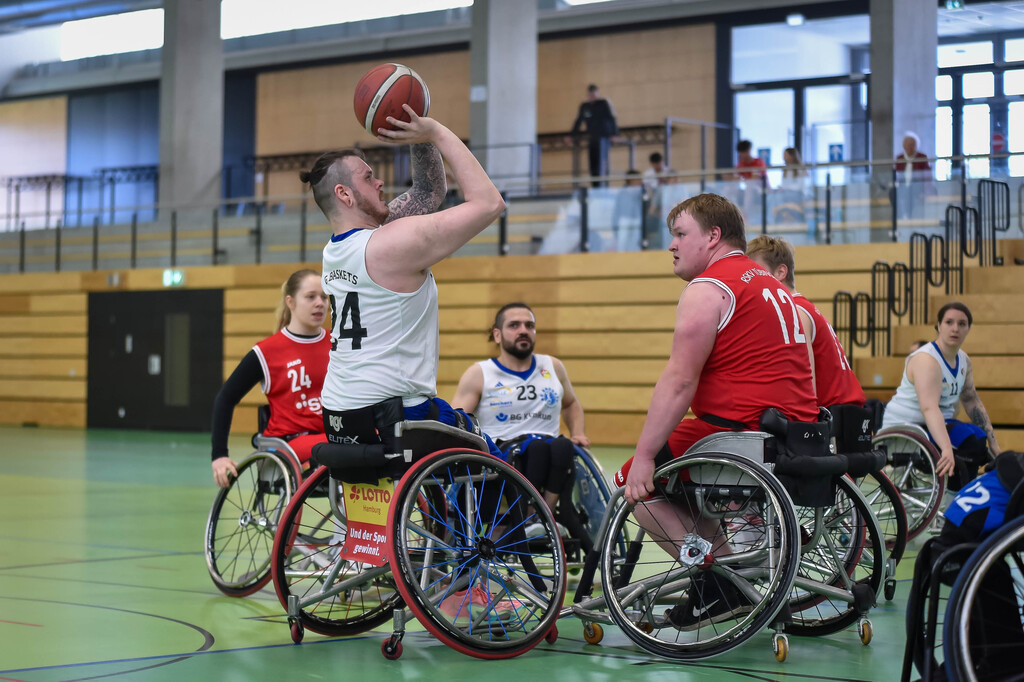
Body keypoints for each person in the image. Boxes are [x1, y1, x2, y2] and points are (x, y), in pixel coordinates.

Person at [616, 193, 818, 628]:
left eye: (680, 234)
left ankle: (721, 581)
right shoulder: (774, 287)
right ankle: (728, 572)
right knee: (685, 480)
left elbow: (680, 382)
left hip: (741, 437)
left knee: (634, 481)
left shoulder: (709, 288)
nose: (671, 245)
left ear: (713, 236)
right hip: (799, 434)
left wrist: (646, 456)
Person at [301, 104, 505, 456]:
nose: (379, 181)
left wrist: (416, 134)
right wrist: (437, 131)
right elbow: (489, 203)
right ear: (344, 194)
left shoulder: (336, 251)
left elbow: (428, 193)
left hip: (340, 414)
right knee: (492, 457)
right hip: (396, 414)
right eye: (368, 177)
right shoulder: (391, 244)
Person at [451, 302, 594, 554]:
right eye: (514, 325)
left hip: (552, 451)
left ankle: (542, 515)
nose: (523, 330)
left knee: (562, 445)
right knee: (537, 449)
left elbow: (571, 404)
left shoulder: (553, 366)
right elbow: (457, 420)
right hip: (503, 452)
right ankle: (529, 516)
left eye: (529, 325)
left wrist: (578, 432)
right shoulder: (480, 373)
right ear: (497, 334)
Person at [209, 269, 331, 487]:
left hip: (332, 436)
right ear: (291, 302)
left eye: (324, 296)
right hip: (290, 444)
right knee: (346, 449)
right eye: (311, 297)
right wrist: (219, 455)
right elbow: (225, 398)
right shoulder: (267, 352)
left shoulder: (338, 344)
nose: (320, 303)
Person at [881, 301, 1001, 489]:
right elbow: (929, 407)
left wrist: (995, 447)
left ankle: (960, 498)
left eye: (962, 324)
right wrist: (946, 448)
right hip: (906, 428)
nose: (955, 329)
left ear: (969, 328)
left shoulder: (963, 360)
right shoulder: (926, 360)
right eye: (949, 322)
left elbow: (971, 400)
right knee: (967, 445)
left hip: (935, 423)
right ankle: (954, 503)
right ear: (938, 326)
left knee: (978, 439)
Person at [746, 235, 866, 410]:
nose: (753, 279)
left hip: (837, 416)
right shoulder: (802, 307)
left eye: (758, 272)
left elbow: (807, 381)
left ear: (781, 272)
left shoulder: (795, 311)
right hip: (844, 413)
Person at [567, 84, 620, 187]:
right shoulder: (584, 106)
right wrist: (572, 135)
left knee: (602, 163)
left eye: (594, 95)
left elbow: (611, 118)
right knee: (593, 164)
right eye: (590, 95)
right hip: (592, 138)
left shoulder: (604, 103)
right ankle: (595, 186)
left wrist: (614, 134)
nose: (592, 97)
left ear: (597, 94)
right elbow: (578, 121)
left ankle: (603, 184)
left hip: (604, 138)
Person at [893, 132, 932, 219]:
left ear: (916, 146)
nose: (910, 147)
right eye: (908, 145)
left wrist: (926, 191)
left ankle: (908, 215)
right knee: (892, 192)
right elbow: (896, 174)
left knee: (909, 191)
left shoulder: (922, 157)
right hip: (902, 185)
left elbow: (927, 176)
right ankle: (900, 215)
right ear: (904, 146)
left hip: (916, 186)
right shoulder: (899, 158)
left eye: (912, 145)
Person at [611, 168, 644, 251]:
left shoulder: (642, 192)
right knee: (622, 243)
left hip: (637, 219)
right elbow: (616, 211)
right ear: (631, 180)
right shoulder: (622, 192)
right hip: (624, 220)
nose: (640, 181)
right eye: (638, 179)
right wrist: (615, 229)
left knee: (636, 243)